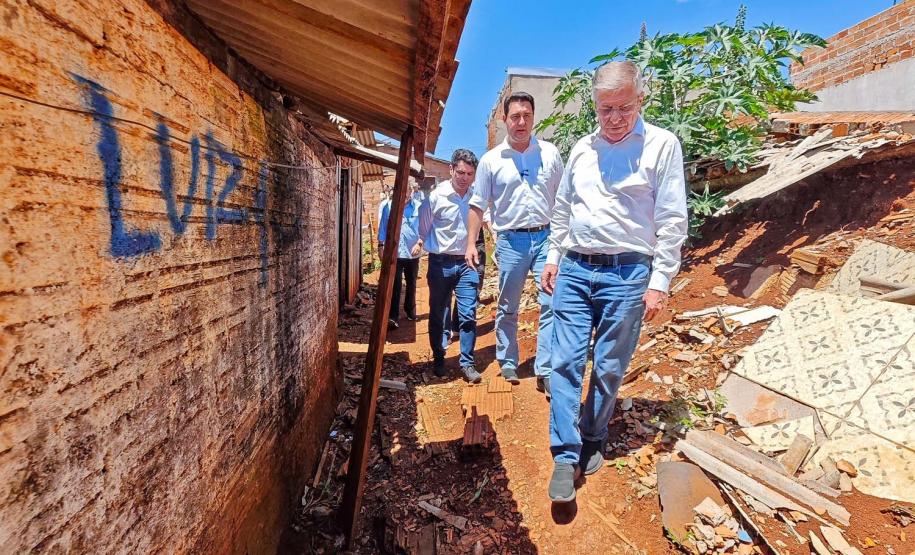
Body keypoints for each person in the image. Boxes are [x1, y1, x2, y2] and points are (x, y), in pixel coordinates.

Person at [541, 61, 688, 502]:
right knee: (563, 361)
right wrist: (553, 256)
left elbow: (672, 218)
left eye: (624, 107)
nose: (615, 118)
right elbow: (563, 208)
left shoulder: (662, 145)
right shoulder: (583, 150)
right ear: (595, 106)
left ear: (639, 99)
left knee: (608, 366)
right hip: (575, 269)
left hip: (628, 275)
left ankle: (593, 433)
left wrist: (659, 279)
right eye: (606, 109)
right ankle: (565, 456)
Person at [466, 91, 564, 396]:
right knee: (508, 305)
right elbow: (478, 204)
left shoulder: (550, 154)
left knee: (550, 303)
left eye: (527, 115)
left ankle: (545, 369)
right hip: (510, 241)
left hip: (547, 237)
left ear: (533, 117)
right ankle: (508, 359)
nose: (521, 122)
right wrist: (471, 243)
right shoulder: (491, 160)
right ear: (504, 119)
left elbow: (563, 200)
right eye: (515, 116)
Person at [419, 149, 484, 383]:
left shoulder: (476, 197)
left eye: (469, 173)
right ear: (451, 170)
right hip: (440, 264)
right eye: (460, 172)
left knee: (468, 314)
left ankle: (467, 363)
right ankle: (438, 357)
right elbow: (423, 228)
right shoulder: (436, 197)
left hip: (467, 264)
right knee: (439, 313)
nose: (464, 177)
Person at [378, 183, 423, 328]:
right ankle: (393, 317)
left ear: (411, 192)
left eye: (408, 191)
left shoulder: (419, 206)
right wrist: (380, 245)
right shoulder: (389, 206)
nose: (405, 194)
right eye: (403, 191)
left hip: (413, 252)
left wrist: (420, 243)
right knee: (395, 284)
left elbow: (425, 227)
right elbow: (383, 227)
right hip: (394, 252)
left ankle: (410, 311)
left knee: (411, 283)